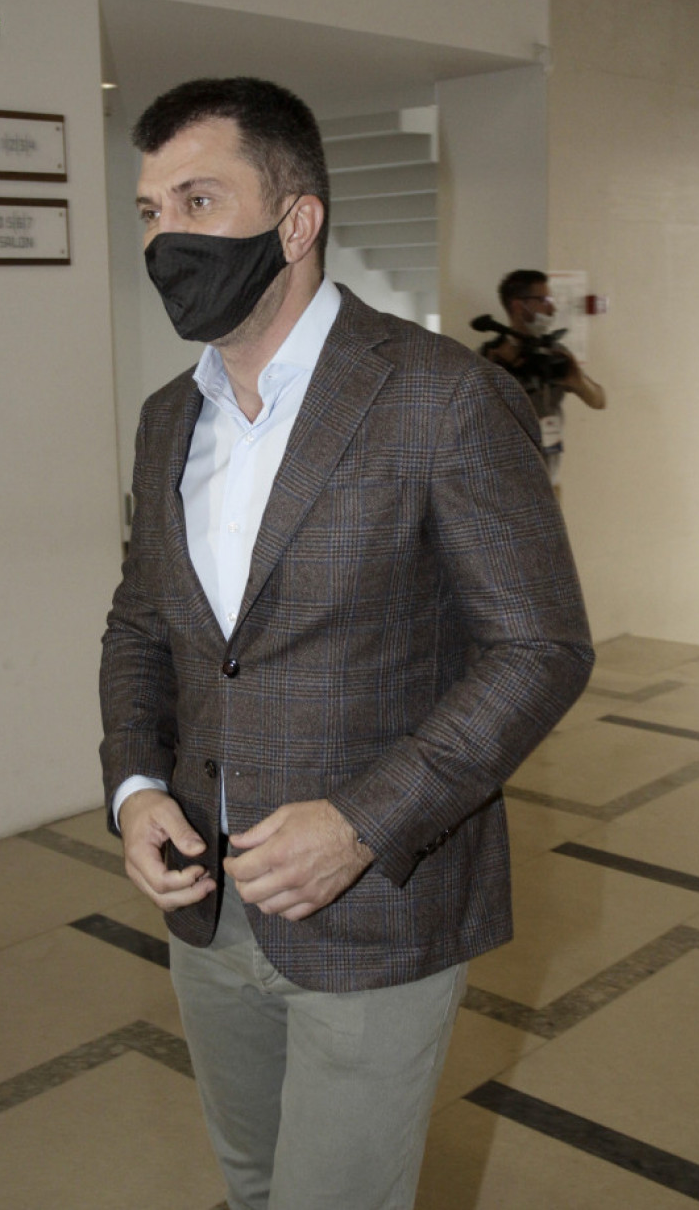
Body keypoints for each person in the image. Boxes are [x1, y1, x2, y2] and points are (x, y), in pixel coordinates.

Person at [99, 78, 594, 1210]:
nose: (166, 238)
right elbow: (141, 621)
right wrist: (135, 786)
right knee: (253, 1181)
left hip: (375, 902)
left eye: (198, 199)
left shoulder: (443, 397)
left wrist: (363, 822)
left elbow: (540, 648)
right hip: (204, 897)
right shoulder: (169, 418)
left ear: (297, 219)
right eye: (149, 211)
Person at [481, 269, 606, 484]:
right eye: (545, 300)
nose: (552, 308)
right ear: (518, 305)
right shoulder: (490, 357)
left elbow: (599, 401)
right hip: (503, 484)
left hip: (548, 479)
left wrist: (578, 381)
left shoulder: (555, 352)